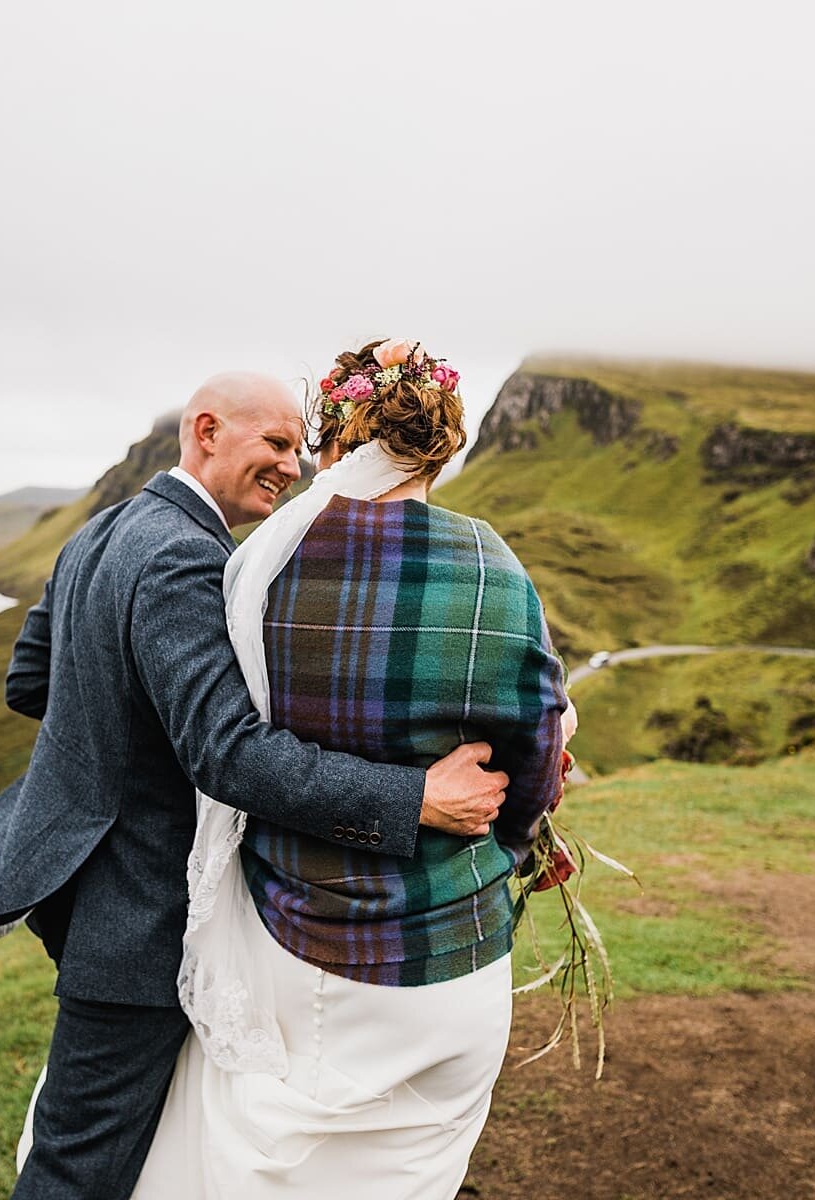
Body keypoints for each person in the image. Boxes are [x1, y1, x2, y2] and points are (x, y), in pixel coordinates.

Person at [0, 370, 513, 1200]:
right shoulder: (184, 557)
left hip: (101, 902)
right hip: (137, 916)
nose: (290, 465)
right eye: (273, 442)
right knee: (77, 1167)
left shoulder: (103, 530)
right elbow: (228, 754)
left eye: (299, 447)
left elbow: (31, 681)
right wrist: (412, 798)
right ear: (206, 431)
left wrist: (114, 747)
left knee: (99, 1147)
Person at [129, 339, 573, 1199]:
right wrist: (509, 843)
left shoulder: (265, 563)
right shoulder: (495, 568)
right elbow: (538, 751)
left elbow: (234, 747)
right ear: (441, 443)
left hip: (302, 938)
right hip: (451, 953)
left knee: (271, 1162)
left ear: (334, 435)